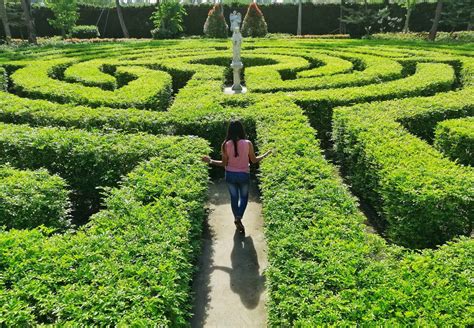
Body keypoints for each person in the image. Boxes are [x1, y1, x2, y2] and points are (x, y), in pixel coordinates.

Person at [202, 119, 272, 234]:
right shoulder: (248, 143)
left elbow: (223, 163)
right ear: (241, 130)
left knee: (234, 198)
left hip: (230, 175)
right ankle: (238, 218)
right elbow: (254, 160)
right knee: (244, 197)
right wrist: (266, 154)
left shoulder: (225, 144)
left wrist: (210, 161)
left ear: (229, 131)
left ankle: (236, 219)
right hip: (244, 175)